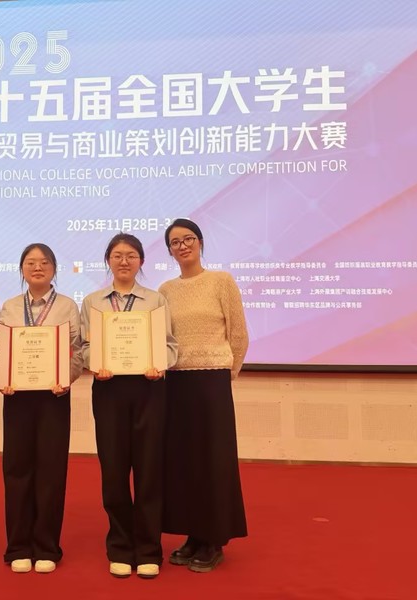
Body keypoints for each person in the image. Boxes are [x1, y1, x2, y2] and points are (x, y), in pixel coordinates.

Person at [80, 233, 177, 579]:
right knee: (114, 471)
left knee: (149, 470)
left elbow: (169, 344)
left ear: (141, 261)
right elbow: (84, 347)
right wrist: (95, 363)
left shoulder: (156, 300)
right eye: (118, 255)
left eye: (131, 255)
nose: (124, 261)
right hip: (109, 391)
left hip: (149, 389)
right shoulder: (92, 302)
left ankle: (149, 549)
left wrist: (159, 364)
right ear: (108, 260)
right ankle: (120, 546)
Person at [158, 218, 249, 573]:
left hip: (212, 383)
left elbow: (239, 335)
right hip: (176, 383)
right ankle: (193, 535)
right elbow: (161, 339)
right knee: (184, 462)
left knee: (214, 459)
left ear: (200, 242)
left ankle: (214, 538)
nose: (182, 246)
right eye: (175, 242)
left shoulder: (221, 281)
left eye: (188, 239)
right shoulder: (166, 290)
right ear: (169, 251)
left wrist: (226, 373)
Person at [0, 243, 83, 574]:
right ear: (22, 269)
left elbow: (77, 351)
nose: (37, 267)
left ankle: (47, 546)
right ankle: (18, 546)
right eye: (31, 262)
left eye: (44, 262)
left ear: (54, 269)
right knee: (17, 470)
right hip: (17, 397)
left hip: (53, 398)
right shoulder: (9, 307)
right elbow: (0, 350)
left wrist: (66, 378)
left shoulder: (67, 306)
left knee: (51, 471)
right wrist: (2, 376)